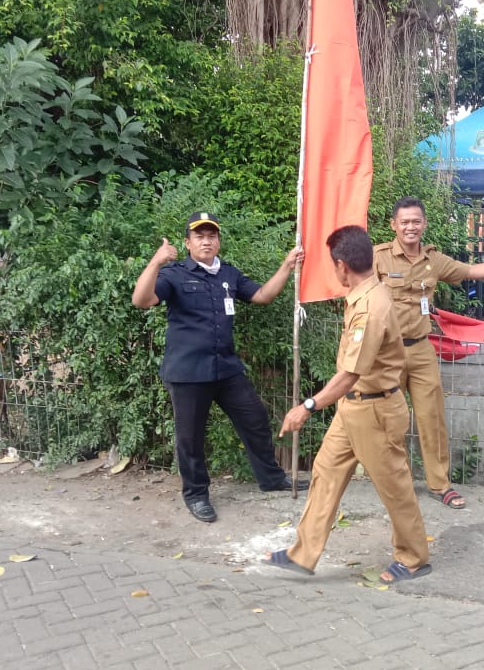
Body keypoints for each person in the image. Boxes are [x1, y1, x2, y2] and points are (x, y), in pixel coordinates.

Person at [264, 225, 431, 584]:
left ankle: (414, 558)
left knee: (394, 487)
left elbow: (350, 374)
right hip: (353, 408)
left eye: (332, 264)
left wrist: (307, 406)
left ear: (342, 265)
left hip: (376, 411)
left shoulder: (370, 306)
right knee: (325, 472)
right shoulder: (364, 294)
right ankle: (302, 554)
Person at [131, 211, 308, 523]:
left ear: (218, 241)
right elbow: (141, 300)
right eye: (199, 236)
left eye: (211, 235)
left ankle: (270, 479)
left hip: (225, 369)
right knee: (190, 438)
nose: (206, 241)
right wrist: (155, 262)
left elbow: (262, 296)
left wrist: (286, 265)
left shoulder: (228, 273)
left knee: (255, 418)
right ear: (187, 243)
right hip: (188, 373)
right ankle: (196, 495)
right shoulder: (174, 274)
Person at [374, 196, 484, 510]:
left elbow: (472, 271)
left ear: (424, 224)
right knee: (388, 420)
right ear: (394, 225)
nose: (410, 227)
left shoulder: (433, 260)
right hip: (386, 353)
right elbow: (353, 287)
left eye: (416, 221)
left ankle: (440, 484)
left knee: (432, 418)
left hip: (421, 349)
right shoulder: (378, 258)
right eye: (404, 222)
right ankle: (394, 485)